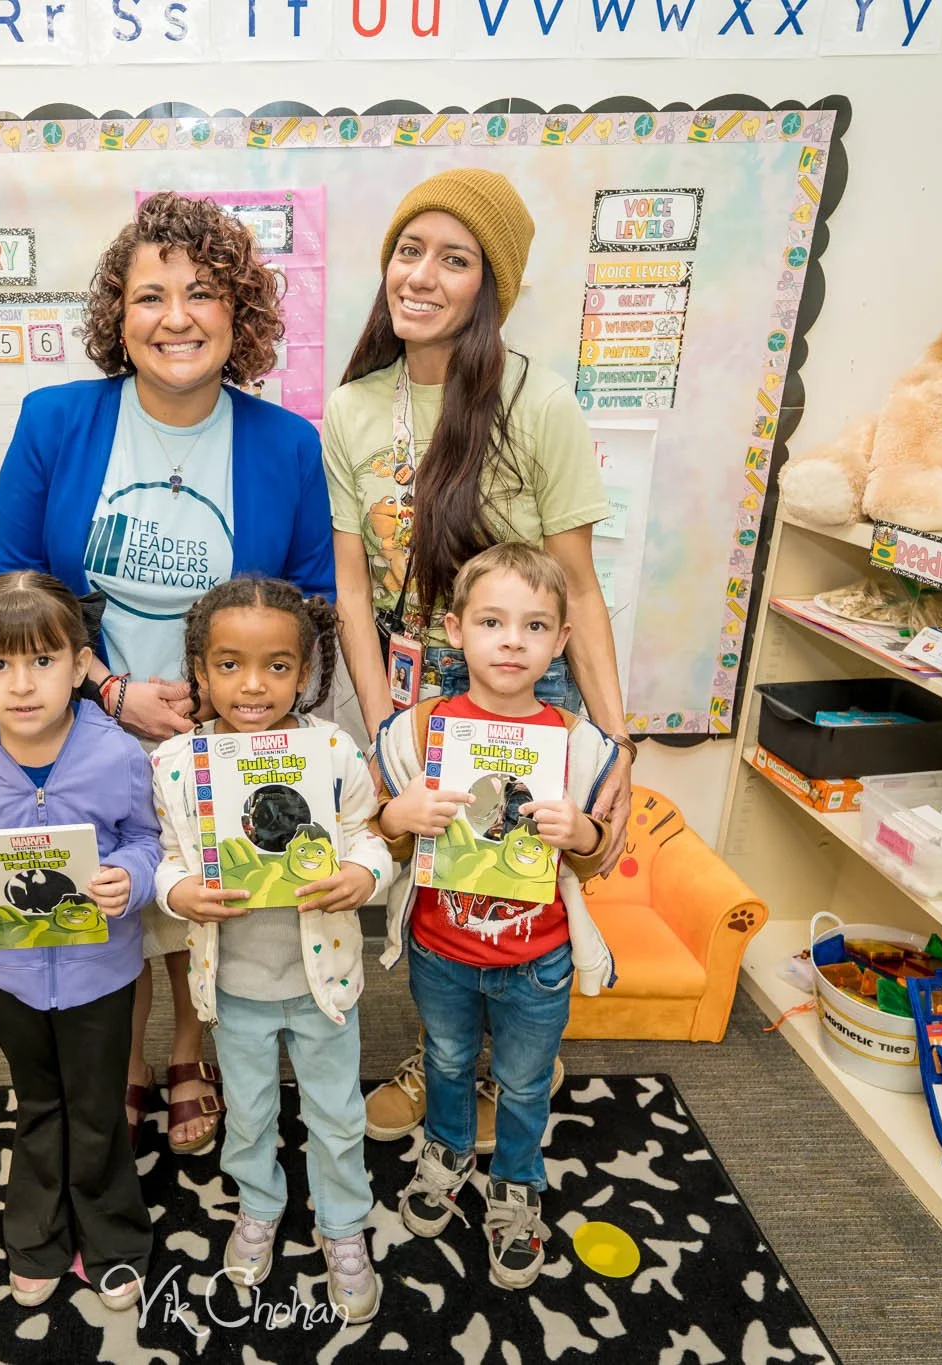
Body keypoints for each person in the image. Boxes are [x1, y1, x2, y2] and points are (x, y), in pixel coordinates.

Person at [0, 191, 336, 1156]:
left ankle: (188, 1048)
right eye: (149, 296)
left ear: (240, 315)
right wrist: (109, 690)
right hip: (82, 719)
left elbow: (310, 601)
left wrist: (239, 708)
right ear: (119, 317)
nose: (175, 316)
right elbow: (10, 587)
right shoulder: (54, 419)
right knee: (111, 892)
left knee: (194, 893)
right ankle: (127, 1055)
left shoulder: (288, 444)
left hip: (224, 733)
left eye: (201, 293)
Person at [322, 169, 636, 1141]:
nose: (421, 276)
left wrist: (617, 743)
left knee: (523, 884)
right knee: (435, 893)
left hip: (519, 682)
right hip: (413, 689)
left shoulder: (537, 403)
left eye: (453, 260)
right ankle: (443, 1059)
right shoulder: (350, 409)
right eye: (408, 252)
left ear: (485, 286)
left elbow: (576, 589)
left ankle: (514, 1072)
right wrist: (380, 726)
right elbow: (351, 594)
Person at [371, 542, 620, 1291]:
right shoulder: (416, 731)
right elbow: (372, 831)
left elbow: (601, 854)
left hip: (536, 958)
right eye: (492, 621)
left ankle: (516, 1183)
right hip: (440, 948)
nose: (513, 640)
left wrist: (581, 834)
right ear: (455, 629)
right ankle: (446, 1149)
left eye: (536, 625)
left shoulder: (578, 744)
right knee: (445, 1058)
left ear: (561, 641)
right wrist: (398, 813)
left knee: (523, 1078)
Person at [151, 577, 391, 1322]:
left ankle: (343, 1221)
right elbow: (167, 855)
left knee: (336, 1111)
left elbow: (371, 838)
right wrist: (177, 893)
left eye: (277, 666)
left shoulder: (331, 750)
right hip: (233, 989)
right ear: (199, 670)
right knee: (250, 1113)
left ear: (306, 671)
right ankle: (259, 1203)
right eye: (229, 665)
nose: (253, 684)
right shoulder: (175, 764)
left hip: (323, 983)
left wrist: (362, 875)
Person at [0, 572, 160, 1311]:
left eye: (43, 662)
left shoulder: (116, 752)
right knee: (36, 1100)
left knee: (95, 1104)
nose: (22, 685)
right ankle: (36, 1231)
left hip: (100, 973)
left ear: (79, 663)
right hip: (11, 975)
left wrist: (130, 874)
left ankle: (114, 1233)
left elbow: (147, 838)